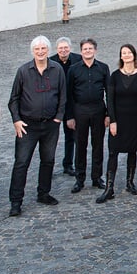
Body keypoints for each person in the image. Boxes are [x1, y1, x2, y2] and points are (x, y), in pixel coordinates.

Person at [7, 35, 67, 217]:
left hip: (50, 124)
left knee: (48, 160)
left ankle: (44, 193)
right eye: (37, 49)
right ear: (32, 51)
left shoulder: (57, 69)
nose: (40, 52)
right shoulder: (23, 71)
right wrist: (16, 120)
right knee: (21, 162)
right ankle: (16, 201)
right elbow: (14, 98)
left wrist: (58, 117)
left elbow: (63, 95)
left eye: (43, 48)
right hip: (27, 125)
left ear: (48, 50)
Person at [96, 44, 137, 203]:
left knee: (133, 151)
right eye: (123, 53)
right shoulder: (115, 75)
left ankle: (130, 183)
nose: (126, 55)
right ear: (121, 56)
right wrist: (112, 120)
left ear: (134, 55)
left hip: (135, 119)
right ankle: (109, 188)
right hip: (118, 119)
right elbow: (110, 99)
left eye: (129, 52)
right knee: (113, 152)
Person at [66, 38, 110, 193]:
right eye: (85, 49)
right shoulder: (73, 69)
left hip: (98, 110)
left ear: (95, 50)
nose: (88, 51)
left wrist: (108, 114)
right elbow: (68, 94)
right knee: (80, 145)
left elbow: (109, 92)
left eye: (90, 48)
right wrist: (69, 116)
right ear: (81, 51)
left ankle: (97, 177)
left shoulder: (103, 68)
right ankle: (80, 179)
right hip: (80, 110)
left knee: (98, 145)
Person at [51, 37, 82, 176]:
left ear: (70, 48)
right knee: (51, 138)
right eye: (60, 48)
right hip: (55, 104)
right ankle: (48, 165)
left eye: (66, 47)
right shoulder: (51, 61)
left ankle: (69, 164)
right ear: (56, 49)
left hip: (73, 103)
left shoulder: (78, 59)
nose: (63, 50)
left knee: (72, 135)